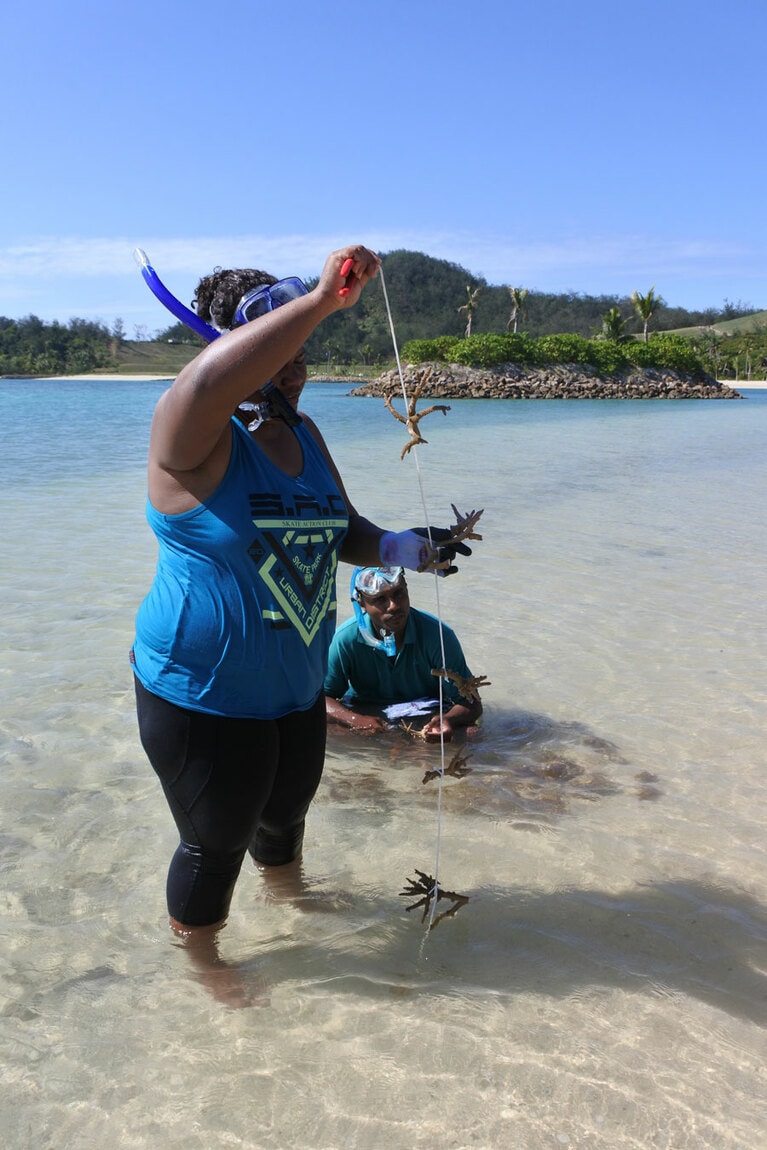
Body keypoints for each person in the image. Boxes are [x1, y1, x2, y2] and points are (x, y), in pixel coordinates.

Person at [131, 244, 473, 947]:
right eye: (274, 350)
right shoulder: (188, 430)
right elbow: (207, 385)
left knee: (285, 818)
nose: (291, 370)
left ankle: (289, 904)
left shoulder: (303, 431)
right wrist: (317, 302)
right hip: (203, 692)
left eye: (300, 355)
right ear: (231, 348)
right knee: (214, 843)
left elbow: (342, 529)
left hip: (294, 687)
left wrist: (404, 548)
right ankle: (206, 969)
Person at [324, 565, 482, 741]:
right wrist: (355, 720)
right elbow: (321, 699)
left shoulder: (438, 636)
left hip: (425, 715)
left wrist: (447, 720)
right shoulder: (345, 638)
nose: (393, 606)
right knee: (328, 730)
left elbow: (472, 703)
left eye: (399, 593)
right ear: (361, 603)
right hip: (369, 715)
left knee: (470, 734)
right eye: (380, 599)